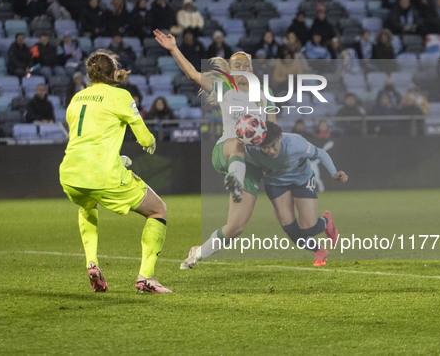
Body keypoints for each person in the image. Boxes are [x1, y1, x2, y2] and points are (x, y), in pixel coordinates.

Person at [153, 29, 277, 270]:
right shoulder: (225, 90)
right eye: (238, 65)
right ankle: (234, 180)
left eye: (247, 65)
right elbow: (192, 74)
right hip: (226, 151)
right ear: (231, 71)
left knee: (235, 228)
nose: (244, 68)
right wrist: (173, 49)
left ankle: (197, 253)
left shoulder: (266, 94)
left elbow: (273, 132)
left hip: (251, 166)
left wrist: (270, 149)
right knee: (240, 140)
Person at [59, 49, 171, 293]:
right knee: (158, 210)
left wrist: (114, 155)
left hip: (70, 172)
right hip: (103, 173)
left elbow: (85, 140)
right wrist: (151, 143)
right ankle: (146, 278)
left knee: (88, 206)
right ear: (112, 72)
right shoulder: (120, 96)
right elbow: (144, 138)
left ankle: (92, 263)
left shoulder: (77, 99)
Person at [243, 122, 347, 266]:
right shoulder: (252, 150)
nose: (271, 151)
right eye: (266, 148)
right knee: (290, 230)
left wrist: (334, 173)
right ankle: (319, 250)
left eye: (273, 145)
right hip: (275, 183)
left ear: (280, 137)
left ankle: (326, 221)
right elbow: (243, 164)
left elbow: (320, 153)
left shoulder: (295, 143)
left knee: (309, 228)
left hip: (302, 180)